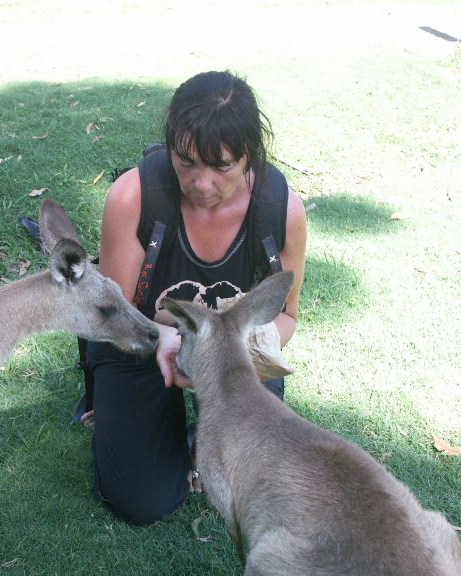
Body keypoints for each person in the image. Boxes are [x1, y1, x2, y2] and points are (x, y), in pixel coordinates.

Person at [84, 70, 307, 525]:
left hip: (232, 357)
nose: (201, 183)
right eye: (186, 162)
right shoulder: (132, 197)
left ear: (250, 156)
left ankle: (198, 434)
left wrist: (234, 357)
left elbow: (285, 316)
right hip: (139, 343)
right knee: (143, 500)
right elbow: (110, 317)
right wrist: (166, 343)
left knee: (251, 484)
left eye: (222, 166)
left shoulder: (280, 211)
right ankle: (125, 414)